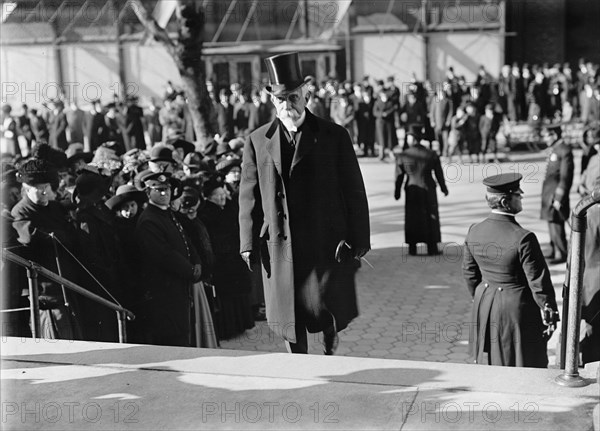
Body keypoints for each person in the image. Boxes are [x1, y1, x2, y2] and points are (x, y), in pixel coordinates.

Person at [238, 52, 370, 355]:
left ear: (306, 94)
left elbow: (354, 190)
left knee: (322, 304)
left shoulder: (333, 135)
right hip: (281, 242)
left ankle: (328, 336)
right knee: (288, 311)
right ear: (272, 100)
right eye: (281, 99)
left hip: (323, 240)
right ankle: (298, 364)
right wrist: (246, 241)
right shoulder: (257, 140)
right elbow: (248, 195)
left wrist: (360, 237)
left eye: (294, 97)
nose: (288, 105)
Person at [463, 173, 559, 368]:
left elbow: (469, 273)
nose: (522, 196)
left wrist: (480, 296)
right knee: (524, 359)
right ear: (506, 202)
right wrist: (549, 311)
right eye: (518, 194)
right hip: (516, 308)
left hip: (486, 303)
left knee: (494, 359)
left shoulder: (474, 230)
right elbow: (538, 281)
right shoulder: (524, 238)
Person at [135, 171, 203, 346]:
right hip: (164, 289)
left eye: (167, 189)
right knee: (173, 335)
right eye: (158, 190)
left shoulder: (167, 214)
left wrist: (196, 262)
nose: (164, 194)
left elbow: (185, 241)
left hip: (179, 285)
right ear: (148, 193)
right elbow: (164, 255)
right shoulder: (149, 220)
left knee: (182, 330)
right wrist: (190, 270)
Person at [394, 127, 448, 256]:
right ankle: (432, 247)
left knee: (413, 217)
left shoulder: (403, 155)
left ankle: (412, 248)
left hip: (411, 189)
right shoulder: (431, 154)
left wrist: (397, 192)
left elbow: (399, 175)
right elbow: (439, 173)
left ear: (412, 139)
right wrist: (443, 188)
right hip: (428, 187)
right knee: (431, 217)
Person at [540, 124, 574, 264]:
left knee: (557, 223)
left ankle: (562, 253)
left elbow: (566, 176)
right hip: (548, 193)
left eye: (547, 135)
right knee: (551, 221)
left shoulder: (564, 150)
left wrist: (560, 197)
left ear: (554, 135)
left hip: (556, 194)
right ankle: (554, 249)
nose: (545, 138)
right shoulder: (555, 149)